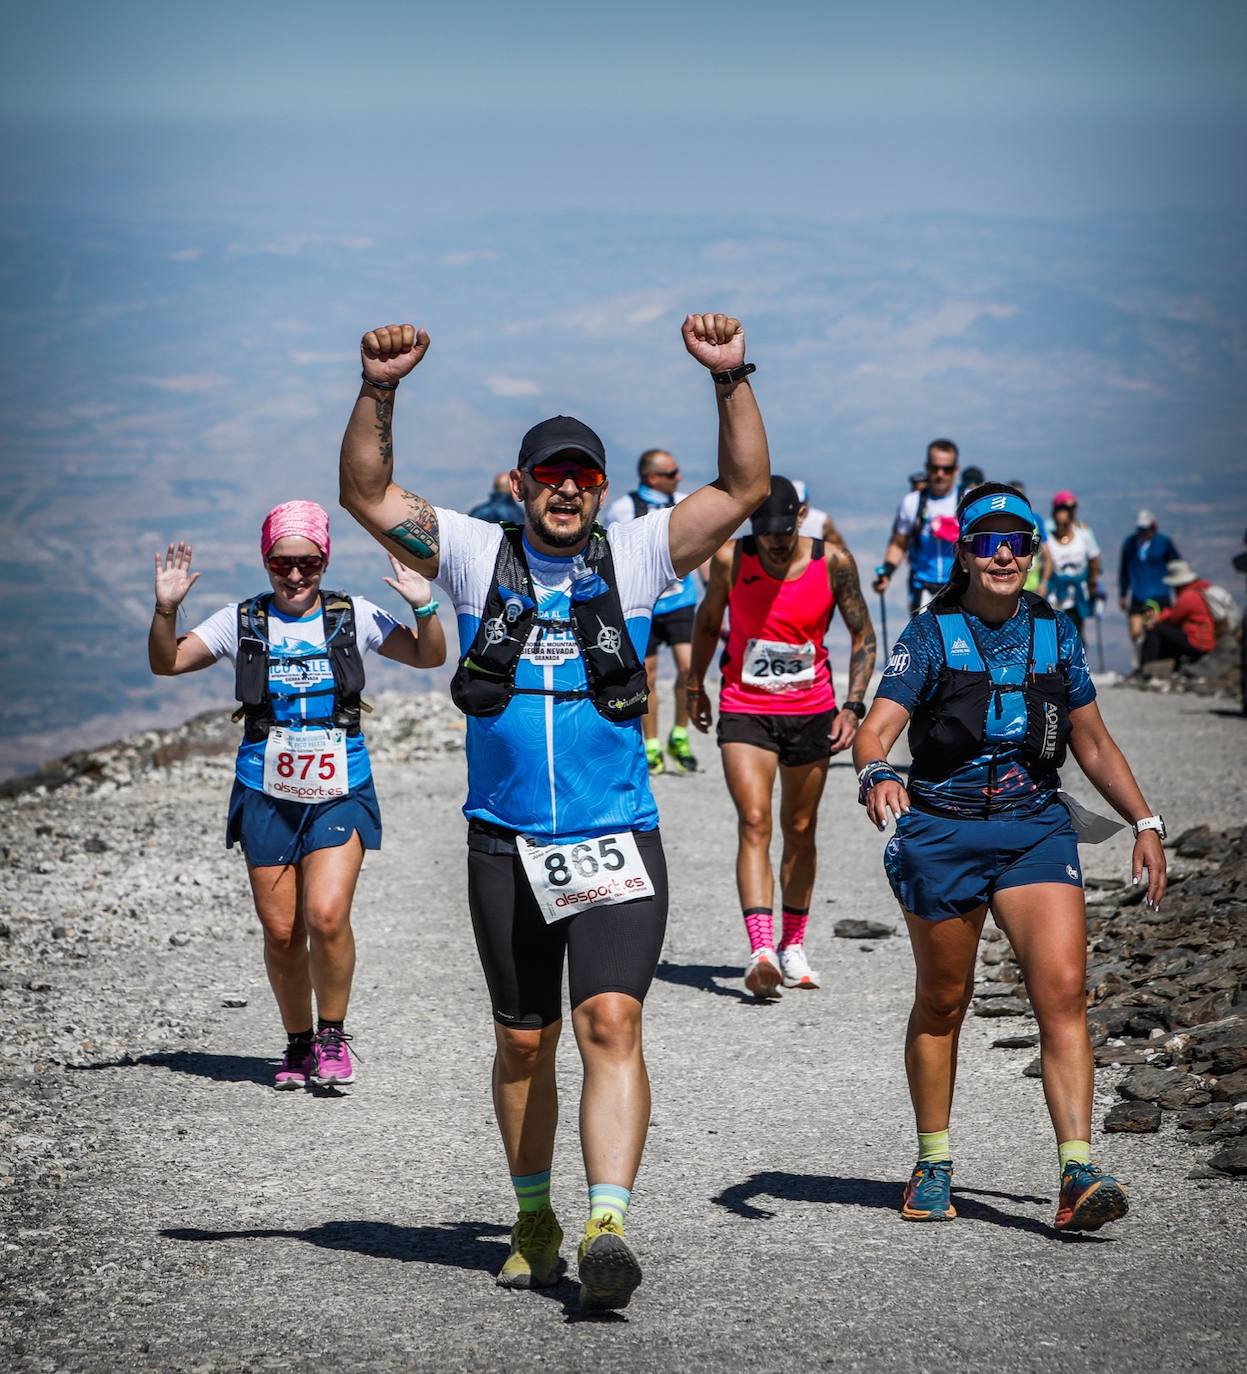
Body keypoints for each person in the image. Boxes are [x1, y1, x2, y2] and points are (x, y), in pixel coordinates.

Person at [338, 315, 770, 1311]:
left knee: (610, 1020)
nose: (567, 488)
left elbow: (742, 486)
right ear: (523, 485)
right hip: (503, 841)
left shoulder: (637, 552)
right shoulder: (473, 553)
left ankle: (605, 1222)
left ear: (599, 488)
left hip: (613, 836)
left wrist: (728, 377)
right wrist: (378, 390)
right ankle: (532, 1217)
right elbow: (364, 492)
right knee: (524, 1041)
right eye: (550, 475)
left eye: (583, 474)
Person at [853, 482, 1167, 1233]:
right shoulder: (930, 636)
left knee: (1061, 993)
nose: (1002, 553)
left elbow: (1089, 741)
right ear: (962, 551)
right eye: (986, 540)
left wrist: (1144, 820)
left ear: (1032, 552)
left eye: (1017, 542)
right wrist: (876, 774)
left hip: (1033, 830)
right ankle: (933, 1163)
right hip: (942, 833)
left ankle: (1075, 1172)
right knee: (942, 1001)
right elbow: (876, 730)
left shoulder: (1055, 634)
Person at [147, 502, 446, 1091]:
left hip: (341, 785)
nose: (295, 575)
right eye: (283, 562)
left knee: (327, 916)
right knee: (283, 933)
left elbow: (428, 654)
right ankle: (298, 1042)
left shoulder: (353, 614)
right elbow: (168, 662)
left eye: (308, 562)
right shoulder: (241, 621)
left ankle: (333, 1034)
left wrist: (423, 605)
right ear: (266, 562)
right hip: (266, 788)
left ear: (325, 559)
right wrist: (166, 608)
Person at [687, 476, 876, 997]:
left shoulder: (832, 562)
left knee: (799, 826)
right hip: (745, 706)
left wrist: (853, 707)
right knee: (754, 821)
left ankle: (793, 944)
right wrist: (692, 686)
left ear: (800, 518)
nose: (773, 540)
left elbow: (863, 634)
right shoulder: (731, 559)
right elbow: (708, 623)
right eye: (763, 530)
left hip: (810, 710)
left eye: (782, 530)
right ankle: (761, 948)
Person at [603, 449, 702, 775]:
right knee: (649, 675)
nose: (678, 478)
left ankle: (679, 734)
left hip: (680, 600)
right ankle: (653, 744)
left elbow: (704, 548)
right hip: (643, 603)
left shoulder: (687, 503)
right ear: (651, 478)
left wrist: (714, 589)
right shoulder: (623, 508)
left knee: (689, 669)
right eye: (672, 473)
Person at [873, 439, 963, 613]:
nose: (940, 474)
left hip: (960, 588)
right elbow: (899, 542)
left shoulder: (968, 501)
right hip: (923, 588)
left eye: (947, 469)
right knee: (924, 638)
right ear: (926, 467)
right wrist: (887, 572)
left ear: (956, 470)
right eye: (934, 468)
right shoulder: (912, 502)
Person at [1119, 510, 1181, 651]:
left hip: (1160, 594)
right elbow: (1124, 571)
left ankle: (1153, 662)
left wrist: (1179, 591)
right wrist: (1123, 594)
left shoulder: (1163, 542)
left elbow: (1177, 565)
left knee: (1155, 629)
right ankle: (1139, 659)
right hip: (1138, 594)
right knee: (1136, 631)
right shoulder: (1130, 544)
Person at [1139, 561, 1215, 669]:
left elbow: (1173, 618)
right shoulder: (1199, 591)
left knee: (1155, 629)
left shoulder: (1188, 597)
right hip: (1205, 642)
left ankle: (1147, 666)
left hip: (1198, 643)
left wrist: (1155, 618)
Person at [1046, 490, 1101, 637]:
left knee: (1076, 633)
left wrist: (1093, 582)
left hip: (1078, 594)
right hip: (1055, 595)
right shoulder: (1047, 534)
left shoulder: (1083, 533)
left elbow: (1094, 558)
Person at [1008, 480, 1053, 594]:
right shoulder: (1001, 523)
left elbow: (1048, 557)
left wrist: (1044, 583)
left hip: (1033, 589)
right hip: (1009, 587)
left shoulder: (1036, 521)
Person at [792, 479, 846, 549]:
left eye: (801, 504)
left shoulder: (822, 521)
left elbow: (839, 549)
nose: (798, 507)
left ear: (807, 501)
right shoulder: (780, 521)